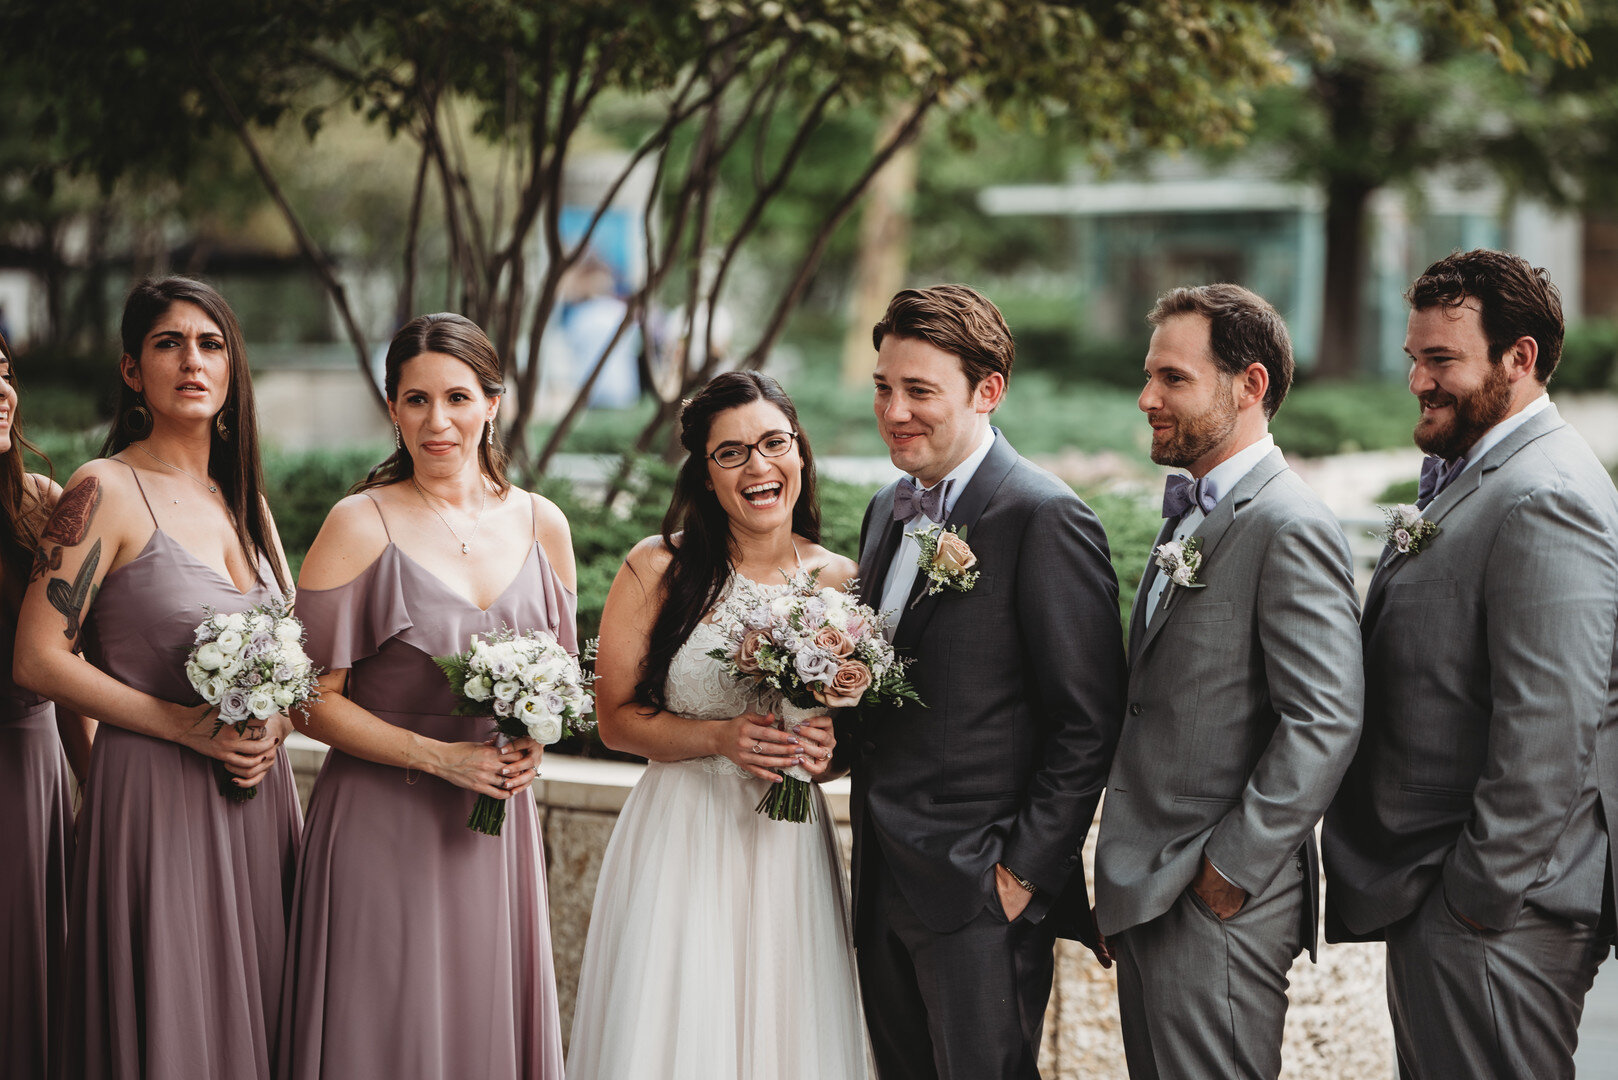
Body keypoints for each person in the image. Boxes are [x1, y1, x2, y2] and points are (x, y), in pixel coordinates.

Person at [1323, 249, 1618, 1078]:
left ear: (1518, 358)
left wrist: (1476, 900)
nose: (1418, 380)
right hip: (1457, 904)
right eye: (1414, 358)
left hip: (1497, 916)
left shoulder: (1546, 495)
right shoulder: (1480, 475)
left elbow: (1550, 727)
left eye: (1442, 359)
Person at [14, 276, 301, 1079]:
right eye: (168, 343)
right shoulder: (102, 487)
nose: (193, 361)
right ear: (133, 370)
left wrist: (272, 725)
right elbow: (38, 657)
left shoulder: (247, 502)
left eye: (211, 343)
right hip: (153, 798)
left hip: (258, 799)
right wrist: (183, 727)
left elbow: (298, 664)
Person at [277, 313, 572, 1080]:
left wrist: (536, 735)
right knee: (387, 1034)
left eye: (458, 397)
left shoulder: (544, 524)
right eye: (415, 401)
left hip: (494, 832)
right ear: (392, 410)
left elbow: (564, 679)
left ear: (494, 402)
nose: (438, 422)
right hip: (383, 824)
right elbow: (307, 699)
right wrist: (439, 758)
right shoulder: (358, 522)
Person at [847, 284, 1126, 1079]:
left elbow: (1087, 723)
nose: (894, 409)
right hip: (881, 880)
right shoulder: (884, 511)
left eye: (919, 391)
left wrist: (1018, 875)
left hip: (978, 893)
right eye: (883, 387)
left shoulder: (1044, 516)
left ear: (988, 391)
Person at [1092, 285, 1363, 1080]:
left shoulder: (1289, 523)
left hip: (1217, 903)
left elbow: (1325, 720)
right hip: (1153, 890)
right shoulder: (1192, 514)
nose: (1147, 398)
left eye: (1173, 379)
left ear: (1250, 386)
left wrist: (1227, 874)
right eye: (1149, 376)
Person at [567, 371, 864, 1080]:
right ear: (705, 475)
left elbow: (852, 729)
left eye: (773, 444)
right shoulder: (657, 566)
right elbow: (615, 722)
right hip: (683, 835)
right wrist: (719, 738)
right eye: (730, 453)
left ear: (801, 454)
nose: (758, 467)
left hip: (788, 846)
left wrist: (830, 749)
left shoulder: (840, 580)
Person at [0, 330, 92, 1079]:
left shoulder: (42, 506)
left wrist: (93, 785)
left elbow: (70, 669)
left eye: (3, 374)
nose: (2, 393)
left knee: (27, 972)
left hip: (25, 770)